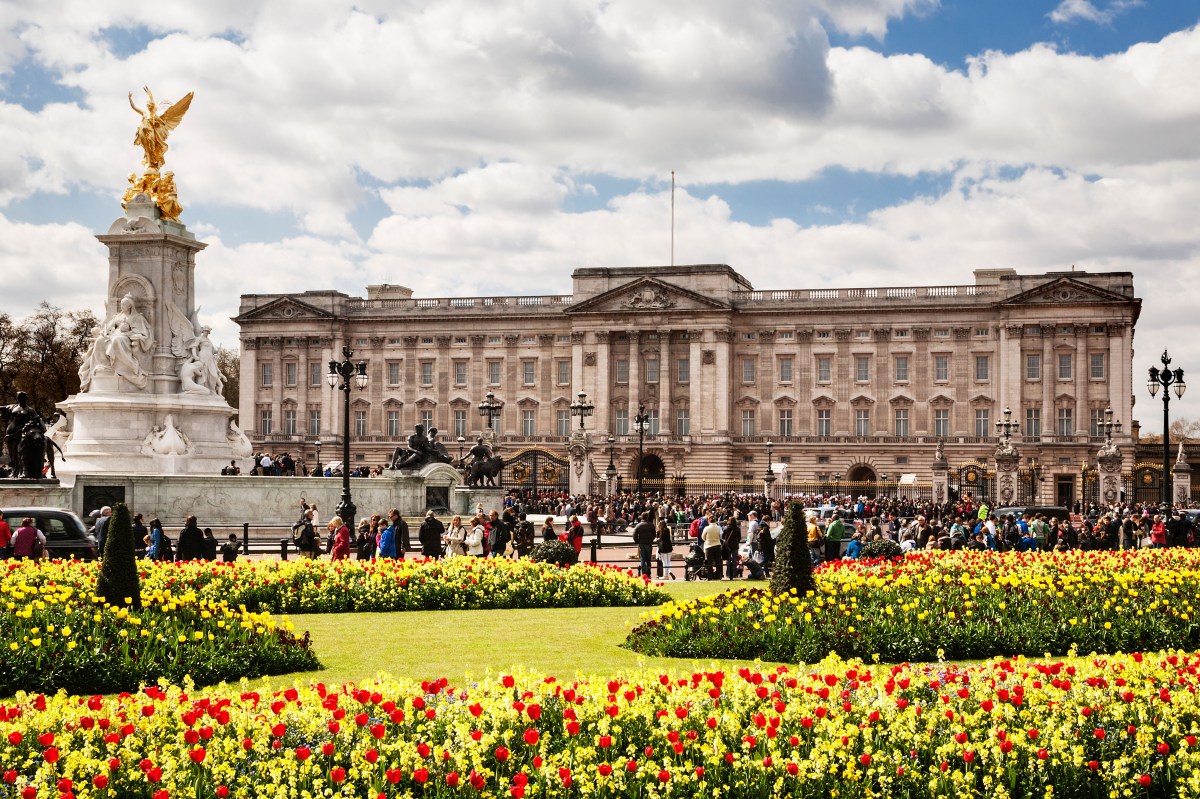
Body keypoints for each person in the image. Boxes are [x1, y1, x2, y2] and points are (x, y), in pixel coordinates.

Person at [632, 511, 656, 578]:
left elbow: (634, 535)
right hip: (649, 543)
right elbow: (654, 535)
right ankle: (648, 574)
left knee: (642, 558)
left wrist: (637, 541)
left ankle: (644, 573)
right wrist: (651, 539)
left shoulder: (639, 525)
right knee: (648, 559)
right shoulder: (651, 525)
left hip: (642, 543)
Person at [701, 514, 723, 580]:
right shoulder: (718, 527)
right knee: (718, 562)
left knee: (709, 562)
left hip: (709, 546)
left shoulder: (707, 528)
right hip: (717, 545)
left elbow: (703, 537)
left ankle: (710, 577)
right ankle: (718, 576)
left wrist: (707, 540)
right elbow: (721, 536)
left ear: (709, 521)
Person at [722, 515, 742, 581]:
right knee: (734, 560)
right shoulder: (737, 529)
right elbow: (739, 537)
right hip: (735, 546)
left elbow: (723, 537)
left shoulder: (726, 528)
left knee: (728, 560)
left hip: (728, 546)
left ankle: (728, 574)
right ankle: (734, 573)